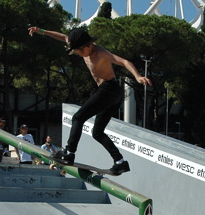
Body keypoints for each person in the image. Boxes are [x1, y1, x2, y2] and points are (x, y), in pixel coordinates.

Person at [28, 26, 152, 174]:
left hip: (109, 89)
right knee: (97, 132)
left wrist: (137, 77)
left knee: (78, 117)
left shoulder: (100, 53)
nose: (79, 54)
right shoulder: (79, 42)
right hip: (111, 93)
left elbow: (124, 62)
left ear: (88, 45)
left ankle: (69, 152)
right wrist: (42, 31)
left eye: (80, 51)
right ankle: (120, 162)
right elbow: (62, 36)